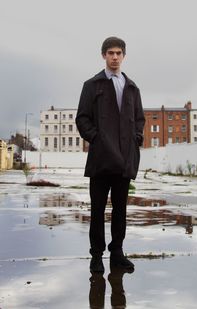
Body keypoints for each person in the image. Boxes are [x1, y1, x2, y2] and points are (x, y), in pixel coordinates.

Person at [76, 36, 145, 273]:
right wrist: (96, 138)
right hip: (101, 158)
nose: (115, 57)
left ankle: (117, 253)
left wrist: (136, 138)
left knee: (120, 209)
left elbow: (139, 119)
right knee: (97, 210)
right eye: (110, 53)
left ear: (124, 55)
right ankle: (96, 256)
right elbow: (82, 118)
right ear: (103, 55)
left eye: (118, 53)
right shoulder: (92, 85)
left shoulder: (132, 87)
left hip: (124, 159)